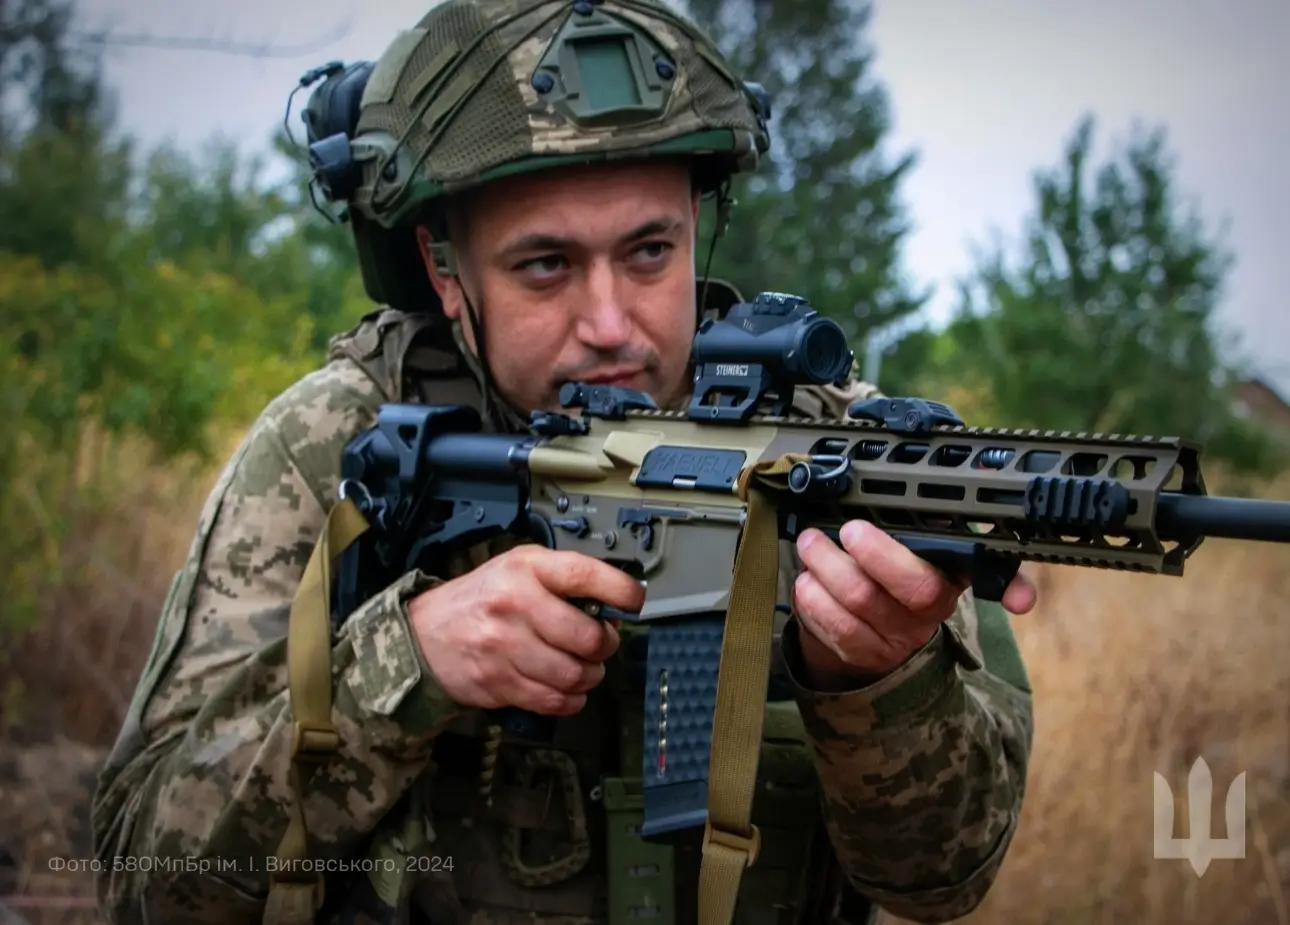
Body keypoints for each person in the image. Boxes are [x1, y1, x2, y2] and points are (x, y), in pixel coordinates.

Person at [92, 2, 1037, 923]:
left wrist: (878, 679)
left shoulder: (837, 455)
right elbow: (147, 880)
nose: (612, 324)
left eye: (650, 251)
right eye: (546, 265)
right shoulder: (337, 445)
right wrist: (404, 664)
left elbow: (940, 882)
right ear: (445, 272)